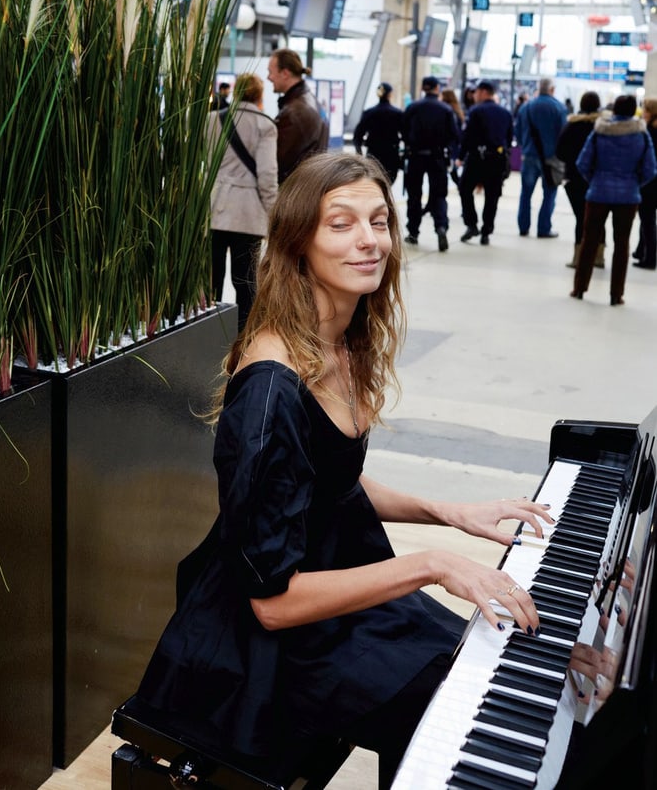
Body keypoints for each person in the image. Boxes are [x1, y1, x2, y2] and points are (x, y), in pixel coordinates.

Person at [132, 152, 549, 790]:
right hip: (267, 645)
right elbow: (272, 604)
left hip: (334, 584)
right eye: (341, 223)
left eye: (379, 221)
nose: (369, 240)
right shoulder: (270, 389)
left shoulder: (344, 338)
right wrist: (432, 563)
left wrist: (449, 512)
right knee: (454, 700)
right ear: (298, 243)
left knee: (489, 657)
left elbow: (325, 483)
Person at [571, 94, 657, 306]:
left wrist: (596, 180)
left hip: (598, 193)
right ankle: (616, 294)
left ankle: (580, 288)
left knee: (589, 241)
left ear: (615, 110)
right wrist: (634, 183)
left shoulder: (600, 131)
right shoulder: (642, 135)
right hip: (628, 197)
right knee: (622, 244)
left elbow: (582, 162)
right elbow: (650, 169)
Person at [208, 73, 278, 330]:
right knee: (245, 281)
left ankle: (210, 332)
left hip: (215, 208)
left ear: (236, 93)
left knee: (212, 280)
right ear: (259, 96)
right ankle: (242, 335)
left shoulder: (212, 120)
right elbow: (267, 175)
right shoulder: (265, 125)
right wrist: (273, 215)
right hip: (248, 214)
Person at [402, 76, 460, 251]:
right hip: (437, 157)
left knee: (414, 195)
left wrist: (411, 144)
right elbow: (454, 135)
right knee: (438, 194)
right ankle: (441, 227)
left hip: (415, 156)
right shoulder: (446, 110)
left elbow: (403, 130)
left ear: (423, 88)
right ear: (437, 88)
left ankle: (413, 232)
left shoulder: (412, 107)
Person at [458, 80, 513, 244]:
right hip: (497, 158)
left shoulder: (476, 111)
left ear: (483, 92)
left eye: (476, 92)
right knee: (492, 195)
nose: (474, 96)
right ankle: (486, 231)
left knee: (465, 189)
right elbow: (509, 138)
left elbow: (467, 137)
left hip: (477, 158)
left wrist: (461, 156)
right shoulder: (505, 113)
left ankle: (471, 223)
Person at [555, 90, 605, 269]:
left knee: (581, 217)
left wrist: (573, 160)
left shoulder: (572, 126)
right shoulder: (602, 126)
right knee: (599, 217)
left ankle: (579, 257)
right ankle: (599, 256)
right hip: (598, 178)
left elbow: (559, 151)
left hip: (574, 178)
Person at [514, 77, 568, 238]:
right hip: (550, 159)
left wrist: (526, 145)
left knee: (526, 193)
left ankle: (523, 226)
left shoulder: (526, 107)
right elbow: (563, 134)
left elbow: (517, 131)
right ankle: (543, 228)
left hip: (529, 155)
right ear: (552, 89)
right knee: (549, 193)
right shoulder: (559, 108)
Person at [267, 48, 329, 183]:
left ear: (285, 73)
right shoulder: (310, 101)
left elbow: (275, 162)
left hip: (295, 192)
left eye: (271, 72)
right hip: (309, 186)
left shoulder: (294, 112)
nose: (268, 78)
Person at [352, 81, 403, 184]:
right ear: (390, 94)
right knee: (389, 181)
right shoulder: (397, 113)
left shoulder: (369, 112)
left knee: (375, 181)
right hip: (391, 152)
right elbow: (405, 134)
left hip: (373, 152)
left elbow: (358, 134)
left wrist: (359, 153)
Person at [633, 97, 657, 271]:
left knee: (647, 219)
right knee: (648, 219)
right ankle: (641, 251)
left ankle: (649, 258)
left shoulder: (647, 132)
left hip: (649, 182)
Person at [441, 86, 465, 187]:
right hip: (454, 145)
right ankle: (461, 186)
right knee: (452, 170)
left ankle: (461, 186)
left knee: (449, 170)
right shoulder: (457, 111)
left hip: (447, 145)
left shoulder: (445, 111)